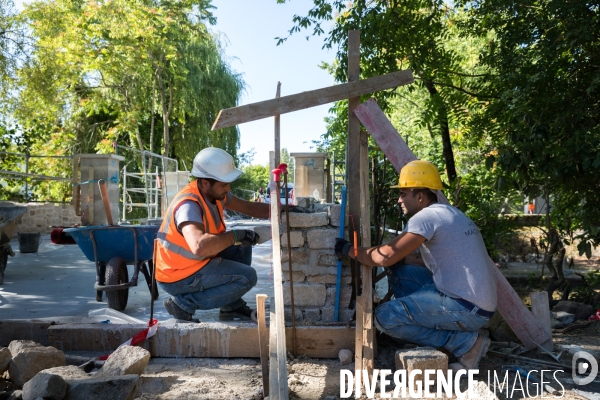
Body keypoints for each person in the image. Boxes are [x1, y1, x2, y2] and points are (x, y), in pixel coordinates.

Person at [334, 160, 497, 371]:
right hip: (477, 303)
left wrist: (349, 250)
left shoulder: (425, 218)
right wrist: (397, 259)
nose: (399, 200)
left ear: (420, 196)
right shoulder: (449, 213)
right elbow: (418, 259)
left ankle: (467, 344)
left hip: (468, 308)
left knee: (384, 317)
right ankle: (427, 328)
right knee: (401, 274)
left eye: (403, 194)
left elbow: (385, 257)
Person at [154, 147, 271, 322]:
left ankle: (231, 306)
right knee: (247, 277)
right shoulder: (189, 205)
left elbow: (249, 207)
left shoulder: (214, 194)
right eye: (224, 184)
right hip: (177, 274)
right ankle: (183, 304)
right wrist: (236, 235)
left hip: (193, 263)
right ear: (205, 183)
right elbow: (199, 246)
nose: (228, 188)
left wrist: (282, 210)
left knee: (242, 247)